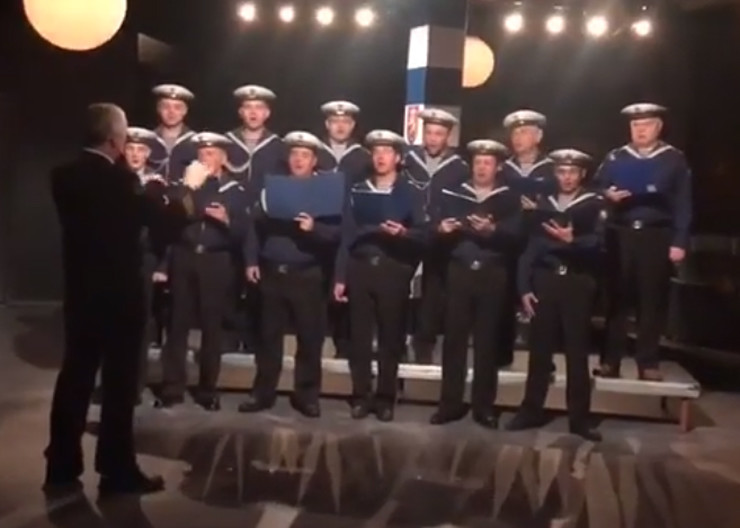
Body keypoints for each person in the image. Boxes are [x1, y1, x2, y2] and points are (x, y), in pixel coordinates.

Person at [45, 103, 206, 496]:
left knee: (75, 378)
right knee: (119, 386)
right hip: (119, 297)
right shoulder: (121, 181)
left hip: (80, 294)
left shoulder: (62, 176)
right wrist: (188, 188)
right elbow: (165, 222)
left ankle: (61, 467)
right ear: (115, 139)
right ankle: (117, 470)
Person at [239, 131, 341, 418]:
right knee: (268, 337)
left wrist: (314, 229)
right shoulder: (273, 187)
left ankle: (307, 395)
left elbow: (336, 234)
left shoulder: (325, 191)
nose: (298, 159)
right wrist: (251, 260)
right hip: (273, 272)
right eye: (295, 154)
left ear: (314, 160)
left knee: (310, 338)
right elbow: (254, 226)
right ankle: (263, 393)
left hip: (307, 275)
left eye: (305, 155)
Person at [507, 149, 605, 442]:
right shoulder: (544, 205)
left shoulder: (594, 204)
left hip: (577, 282)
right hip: (546, 280)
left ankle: (579, 419)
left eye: (572, 172)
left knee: (577, 353)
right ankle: (531, 410)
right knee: (539, 351)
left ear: (582, 174)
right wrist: (524, 288)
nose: (567, 177)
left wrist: (573, 241)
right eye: (562, 172)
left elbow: (601, 245)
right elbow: (529, 251)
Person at [594, 103, 692, 381]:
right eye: (635, 125)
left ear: (658, 127)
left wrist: (680, 241)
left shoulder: (673, 159)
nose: (640, 130)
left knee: (651, 300)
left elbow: (683, 203)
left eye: (646, 125)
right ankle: (610, 361)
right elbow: (595, 187)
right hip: (620, 233)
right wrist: (607, 195)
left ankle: (647, 362)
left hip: (655, 235)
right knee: (616, 299)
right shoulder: (616, 157)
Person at [333, 130, 426, 421]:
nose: (380, 157)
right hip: (360, 268)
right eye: (376, 152)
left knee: (391, 337)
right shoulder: (358, 190)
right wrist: (340, 276)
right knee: (359, 338)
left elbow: (424, 234)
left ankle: (386, 398)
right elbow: (346, 235)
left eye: (387, 152)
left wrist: (403, 233)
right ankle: (361, 395)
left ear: (398, 158)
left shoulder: (411, 192)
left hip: (392, 268)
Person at [154, 132, 250, 411]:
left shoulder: (235, 190)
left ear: (223, 158)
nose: (204, 159)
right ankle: (172, 388)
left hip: (216, 261)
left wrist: (226, 219)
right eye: (200, 154)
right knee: (177, 327)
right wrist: (187, 189)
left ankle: (207, 390)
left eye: (210, 154)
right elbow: (171, 219)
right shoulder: (186, 185)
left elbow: (244, 232)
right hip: (184, 258)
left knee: (212, 328)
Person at [429, 139, 521, 428]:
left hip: (492, 274)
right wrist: (442, 229)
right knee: (454, 341)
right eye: (478, 162)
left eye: (487, 163)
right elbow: (434, 226)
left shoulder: (509, 198)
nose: (481, 168)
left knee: (487, 342)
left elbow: (518, 236)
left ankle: (484, 406)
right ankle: (450, 404)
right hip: (460, 271)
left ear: (498, 167)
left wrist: (493, 230)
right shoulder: (455, 193)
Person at [224, 84, 286, 356]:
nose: (253, 112)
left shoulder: (279, 146)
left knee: (259, 284)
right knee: (229, 280)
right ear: (240, 111)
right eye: (248, 107)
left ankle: (253, 339)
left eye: (259, 108)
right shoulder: (225, 143)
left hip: (263, 223)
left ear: (267, 113)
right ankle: (229, 337)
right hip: (230, 219)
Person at [405, 108, 468, 363]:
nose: (432, 139)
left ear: (448, 136)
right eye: (429, 132)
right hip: (409, 234)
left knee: (432, 292)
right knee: (401, 288)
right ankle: (399, 339)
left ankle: (425, 344)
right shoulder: (407, 161)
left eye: (439, 134)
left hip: (440, 239)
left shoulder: (459, 168)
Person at [498, 109, 556, 369]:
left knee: (541, 300)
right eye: (515, 133)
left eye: (524, 132)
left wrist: (540, 207)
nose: (518, 138)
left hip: (541, 239)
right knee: (503, 297)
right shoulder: (503, 168)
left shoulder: (553, 168)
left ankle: (543, 359)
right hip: (508, 240)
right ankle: (502, 354)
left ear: (538, 136)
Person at [316, 100, 373, 360]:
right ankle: (318, 340)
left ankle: (343, 343)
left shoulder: (364, 157)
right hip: (318, 226)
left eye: (346, 122)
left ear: (353, 125)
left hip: (350, 228)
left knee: (346, 285)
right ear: (327, 124)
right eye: (335, 121)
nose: (340, 127)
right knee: (318, 284)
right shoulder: (314, 152)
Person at [149, 84, 198, 182]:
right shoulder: (148, 140)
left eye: (177, 107)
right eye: (166, 107)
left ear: (185, 111)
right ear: (158, 109)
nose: (171, 112)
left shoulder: (195, 142)